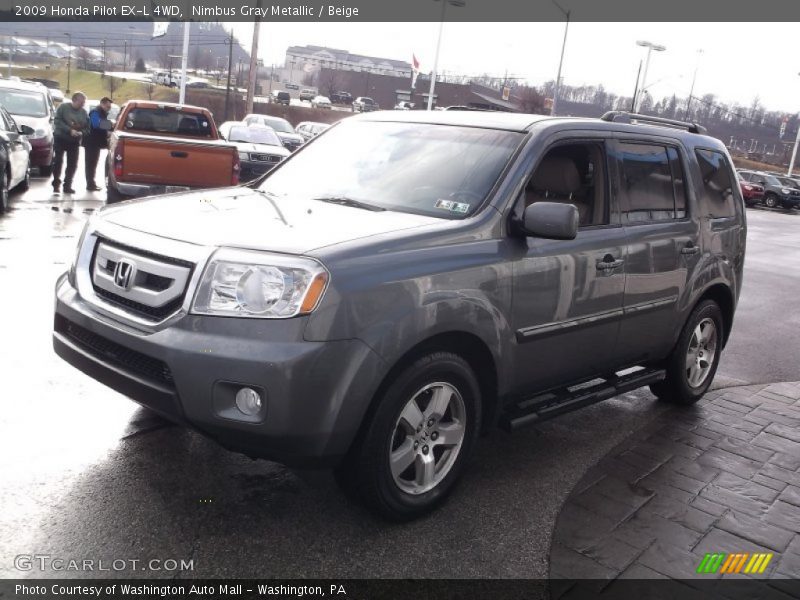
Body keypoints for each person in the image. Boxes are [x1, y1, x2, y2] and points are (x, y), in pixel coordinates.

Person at [52, 92, 88, 195]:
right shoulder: (63, 107)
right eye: (81, 102)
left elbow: (87, 128)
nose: (82, 104)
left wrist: (81, 133)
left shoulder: (84, 113)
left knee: (72, 164)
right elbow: (57, 121)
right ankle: (56, 184)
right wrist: (69, 130)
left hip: (74, 141)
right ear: (74, 100)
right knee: (58, 161)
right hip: (61, 138)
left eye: (84, 102)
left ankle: (67, 185)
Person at [84, 97, 112, 192]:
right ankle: (90, 184)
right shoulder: (95, 112)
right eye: (108, 106)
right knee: (91, 164)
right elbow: (96, 124)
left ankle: (91, 183)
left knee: (93, 163)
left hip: (95, 143)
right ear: (102, 104)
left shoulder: (101, 112)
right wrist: (110, 126)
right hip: (91, 142)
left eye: (110, 107)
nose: (109, 108)